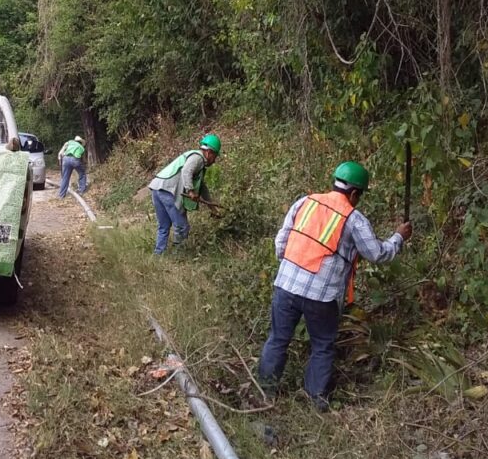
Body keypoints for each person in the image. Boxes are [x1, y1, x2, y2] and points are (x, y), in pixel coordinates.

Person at [257, 161, 412, 410]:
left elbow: (281, 242)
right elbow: (377, 254)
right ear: (354, 193)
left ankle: (264, 392)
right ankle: (315, 400)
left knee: (277, 339)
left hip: (285, 286)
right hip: (321, 296)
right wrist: (398, 238)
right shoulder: (354, 219)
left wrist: (291, 268)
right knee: (322, 346)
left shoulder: (305, 202)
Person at [148, 133, 221, 254]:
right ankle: (179, 255)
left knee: (164, 226)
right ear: (209, 152)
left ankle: (158, 254)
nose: (214, 161)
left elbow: (203, 189)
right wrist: (191, 191)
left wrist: (213, 209)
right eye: (215, 156)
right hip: (167, 191)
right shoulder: (198, 158)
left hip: (157, 187)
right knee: (182, 226)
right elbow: (186, 171)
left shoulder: (198, 162)